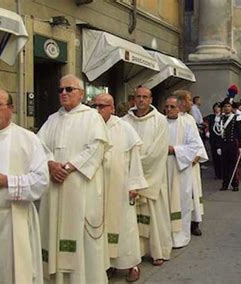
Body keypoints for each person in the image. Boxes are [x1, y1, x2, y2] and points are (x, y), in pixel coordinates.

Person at [38, 75, 110, 283]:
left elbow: (96, 147)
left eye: (69, 89)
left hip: (80, 186)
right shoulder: (52, 119)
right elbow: (39, 147)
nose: (63, 93)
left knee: (81, 236)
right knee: (54, 231)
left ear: (80, 93)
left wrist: (68, 167)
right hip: (54, 187)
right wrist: (51, 164)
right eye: (60, 90)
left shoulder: (91, 117)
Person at [0, 88, 49, 283]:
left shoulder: (28, 140)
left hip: (13, 222)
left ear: (10, 108)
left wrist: (6, 181)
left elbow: (41, 181)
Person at [94, 93, 147, 282]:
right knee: (101, 227)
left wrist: (134, 185)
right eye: (96, 106)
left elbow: (134, 159)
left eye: (102, 106)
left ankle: (132, 264)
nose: (98, 110)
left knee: (126, 228)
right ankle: (107, 264)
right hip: (98, 188)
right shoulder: (91, 126)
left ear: (112, 108)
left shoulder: (124, 128)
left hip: (121, 186)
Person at [123, 87, 172, 266]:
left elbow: (158, 152)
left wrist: (136, 169)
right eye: (138, 97)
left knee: (155, 216)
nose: (141, 100)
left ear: (151, 99)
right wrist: (130, 172)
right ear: (133, 99)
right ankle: (135, 252)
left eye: (145, 97)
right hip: (129, 179)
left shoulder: (160, 121)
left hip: (152, 178)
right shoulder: (124, 121)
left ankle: (157, 250)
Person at [164, 96, 203, 248]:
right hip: (163, 167)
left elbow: (194, 146)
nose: (168, 110)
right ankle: (165, 235)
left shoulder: (187, 123)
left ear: (178, 108)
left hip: (181, 167)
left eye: (172, 107)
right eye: (166, 107)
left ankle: (180, 235)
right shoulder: (160, 122)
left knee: (181, 201)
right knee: (165, 202)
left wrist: (175, 150)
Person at [174, 90, 208, 237]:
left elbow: (197, 142)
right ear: (181, 102)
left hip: (191, 163)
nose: (190, 103)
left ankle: (195, 222)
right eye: (188, 99)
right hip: (177, 163)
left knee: (193, 192)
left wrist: (197, 156)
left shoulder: (189, 119)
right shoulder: (170, 119)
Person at [218, 98, 241, 191]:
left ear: (232, 107)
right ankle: (225, 183)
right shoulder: (221, 118)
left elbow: (240, 133)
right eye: (225, 106)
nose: (227, 108)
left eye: (229, 106)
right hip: (224, 144)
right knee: (224, 165)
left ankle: (235, 184)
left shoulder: (236, 118)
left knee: (234, 165)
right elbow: (219, 134)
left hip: (234, 144)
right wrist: (219, 146)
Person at [205, 102, 223, 179]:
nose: (217, 109)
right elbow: (206, 123)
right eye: (215, 107)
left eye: (218, 107)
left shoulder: (223, 117)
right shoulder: (211, 117)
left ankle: (222, 173)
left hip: (221, 139)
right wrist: (207, 131)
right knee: (215, 157)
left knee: (221, 157)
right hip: (213, 138)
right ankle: (217, 174)